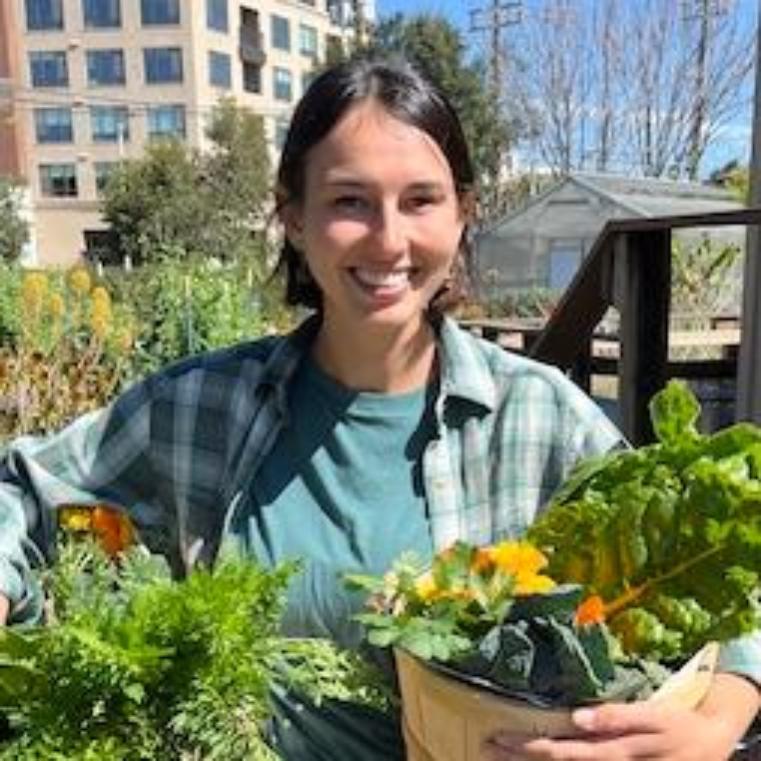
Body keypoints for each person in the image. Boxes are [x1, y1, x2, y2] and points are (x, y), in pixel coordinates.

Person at [0, 57, 758, 761]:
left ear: (462, 213)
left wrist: (715, 721)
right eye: (349, 202)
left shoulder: (538, 419)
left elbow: (731, 579)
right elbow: (27, 491)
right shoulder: (201, 405)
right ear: (293, 217)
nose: (388, 239)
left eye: (420, 200)